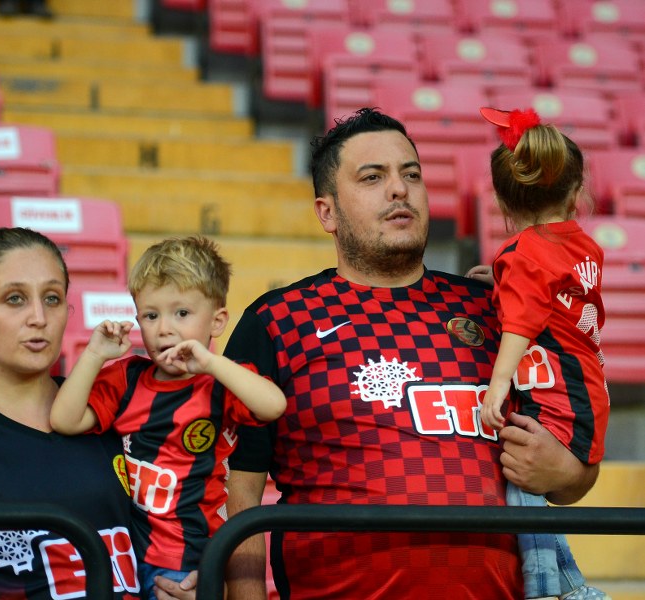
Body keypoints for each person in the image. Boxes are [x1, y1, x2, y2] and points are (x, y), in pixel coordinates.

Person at [222, 108, 600, 600]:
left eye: (412, 174)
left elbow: (576, 462)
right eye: (372, 177)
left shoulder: (498, 312)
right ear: (327, 212)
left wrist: (565, 471)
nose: (399, 189)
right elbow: (240, 493)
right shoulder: (276, 321)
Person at [0, 227, 196, 600]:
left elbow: (174, 533)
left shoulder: (118, 411)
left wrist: (187, 585)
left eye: (52, 298)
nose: (39, 317)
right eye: (15, 299)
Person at [49, 235, 286, 600]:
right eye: (151, 315)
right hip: (124, 554)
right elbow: (65, 420)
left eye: (182, 314)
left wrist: (212, 363)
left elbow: (273, 405)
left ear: (217, 321)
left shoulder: (220, 384)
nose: (164, 329)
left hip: (189, 559)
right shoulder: (127, 378)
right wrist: (95, 354)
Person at [466, 107, 610, 600]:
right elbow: (555, 298)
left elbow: (523, 323)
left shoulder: (524, 256)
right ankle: (570, 587)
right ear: (575, 193)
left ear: (504, 201)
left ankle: (552, 588)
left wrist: (497, 384)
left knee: (521, 484)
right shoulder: (585, 246)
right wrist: (504, 283)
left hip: (557, 396)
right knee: (524, 483)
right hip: (589, 391)